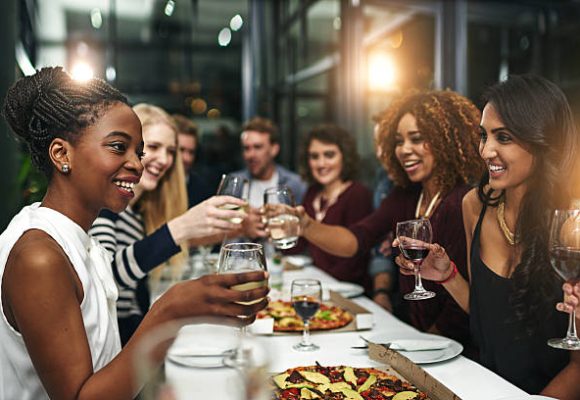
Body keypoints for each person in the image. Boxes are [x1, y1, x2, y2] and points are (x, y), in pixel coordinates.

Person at [0, 67, 268, 399]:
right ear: (61, 154)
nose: (138, 165)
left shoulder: (84, 241)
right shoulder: (38, 257)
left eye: (138, 152)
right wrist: (171, 310)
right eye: (118, 147)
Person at [396, 75, 580, 397]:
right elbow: (488, 318)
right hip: (484, 387)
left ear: (541, 141)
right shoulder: (474, 206)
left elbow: (577, 367)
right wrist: (447, 275)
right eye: (484, 135)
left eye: (504, 137)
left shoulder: (571, 229)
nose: (486, 150)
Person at [295, 90, 484, 353]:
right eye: (398, 141)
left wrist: (423, 345)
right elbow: (357, 239)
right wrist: (306, 226)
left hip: (456, 351)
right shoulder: (405, 196)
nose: (404, 150)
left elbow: (464, 304)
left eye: (416, 139)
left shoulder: (461, 201)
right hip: (417, 337)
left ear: (445, 140)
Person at [90, 104, 246, 345]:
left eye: (170, 151)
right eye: (153, 147)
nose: (164, 160)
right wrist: (180, 227)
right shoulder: (105, 206)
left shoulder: (134, 211)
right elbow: (105, 278)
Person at [293, 124, 373, 292]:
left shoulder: (357, 194)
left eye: (329, 155)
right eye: (314, 156)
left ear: (345, 156)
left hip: (350, 291)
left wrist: (317, 284)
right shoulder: (312, 193)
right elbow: (299, 246)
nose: (321, 163)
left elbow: (355, 262)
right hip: (319, 285)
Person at [231, 116, 306, 239]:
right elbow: (219, 228)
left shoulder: (295, 184)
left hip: (283, 255)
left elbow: (305, 231)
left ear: (274, 149)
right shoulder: (235, 182)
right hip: (244, 255)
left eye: (258, 147)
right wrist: (241, 225)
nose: (251, 155)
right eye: (246, 148)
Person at [173, 113, 212, 207]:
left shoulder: (202, 190)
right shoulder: (153, 184)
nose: (187, 158)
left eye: (191, 152)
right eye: (181, 150)